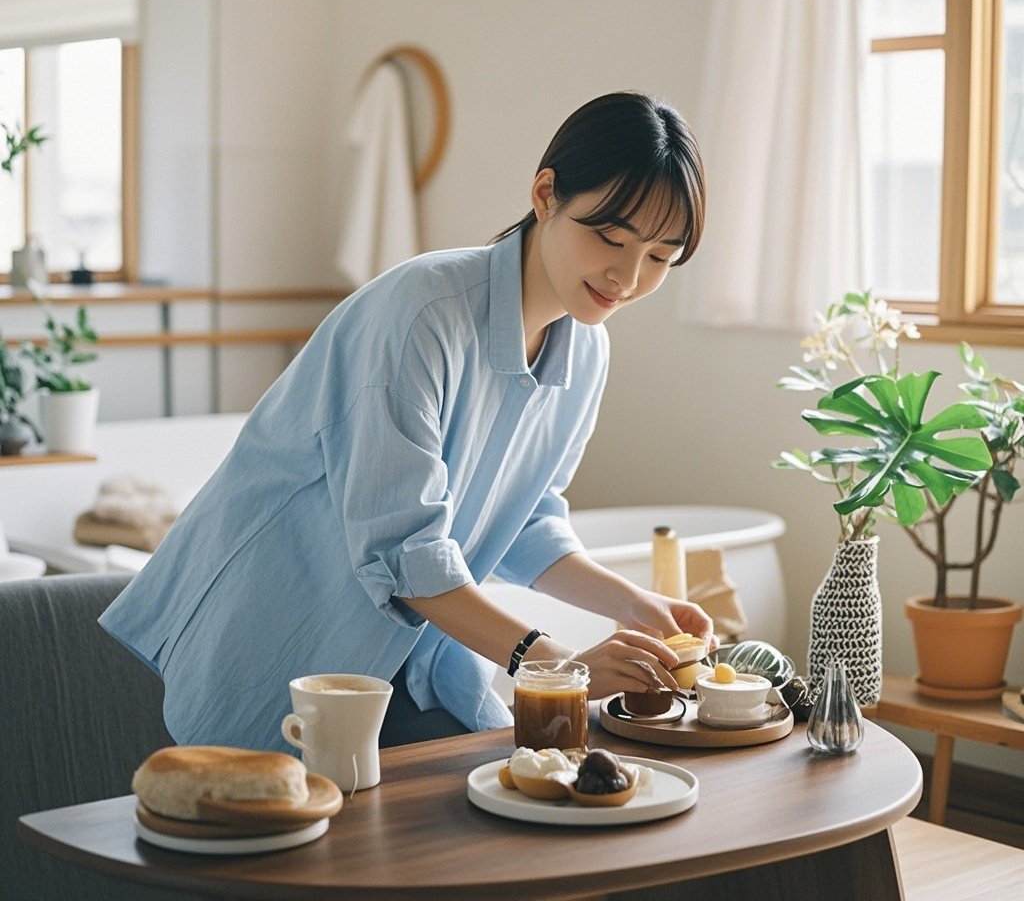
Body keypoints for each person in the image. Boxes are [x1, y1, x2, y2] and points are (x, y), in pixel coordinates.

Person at [99, 90, 712, 751]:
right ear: (545, 195)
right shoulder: (423, 313)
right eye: (611, 237)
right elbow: (405, 553)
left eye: (659, 259)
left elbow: (526, 521)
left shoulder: (586, 347)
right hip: (284, 635)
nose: (626, 275)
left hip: (409, 659)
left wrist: (634, 607)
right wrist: (557, 666)